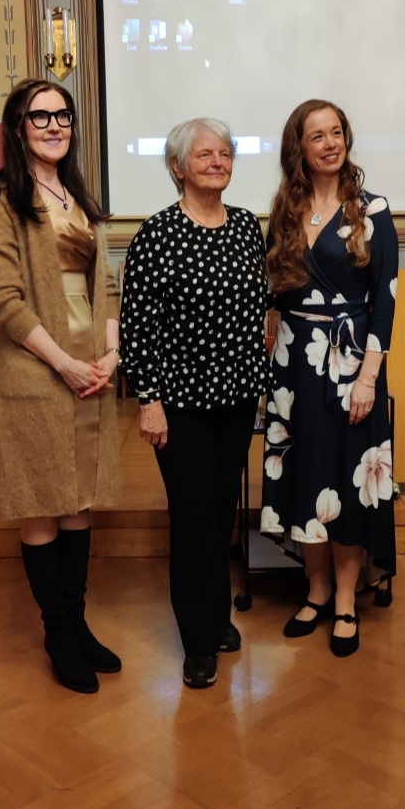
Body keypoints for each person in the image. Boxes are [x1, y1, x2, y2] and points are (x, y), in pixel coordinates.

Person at [0, 77, 122, 694]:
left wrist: (110, 354)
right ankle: (57, 632)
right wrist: (62, 361)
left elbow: (104, 283)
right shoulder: (1, 195)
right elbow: (0, 298)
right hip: (40, 365)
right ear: (18, 126)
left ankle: (78, 623)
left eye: (63, 115)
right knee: (41, 502)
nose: (55, 125)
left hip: (92, 367)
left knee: (79, 500)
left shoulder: (79, 193)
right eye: (41, 116)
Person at [119, 117, 271, 689]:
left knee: (220, 511)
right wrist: (148, 400)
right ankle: (198, 641)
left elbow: (259, 308)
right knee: (192, 516)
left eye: (225, 152)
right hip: (178, 403)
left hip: (234, 400)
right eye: (204, 153)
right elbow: (138, 328)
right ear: (177, 167)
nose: (218, 160)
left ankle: (217, 616)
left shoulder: (245, 229)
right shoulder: (156, 236)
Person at [260, 99, 398, 657]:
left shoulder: (373, 209)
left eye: (336, 132)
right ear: (301, 147)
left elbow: (384, 302)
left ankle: (344, 599)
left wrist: (368, 378)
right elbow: (273, 289)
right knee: (305, 476)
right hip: (295, 365)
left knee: (346, 482)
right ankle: (314, 591)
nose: (329, 143)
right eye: (316, 135)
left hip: (349, 370)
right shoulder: (284, 210)